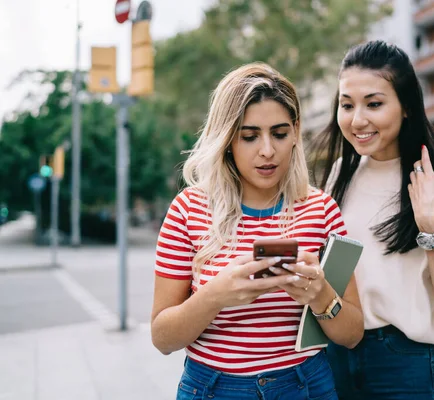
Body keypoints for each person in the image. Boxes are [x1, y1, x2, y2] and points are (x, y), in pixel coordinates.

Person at [151, 63, 363, 400]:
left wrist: (320, 294)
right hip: (212, 389)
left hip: (305, 386)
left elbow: (352, 334)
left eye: (279, 133)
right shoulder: (187, 209)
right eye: (249, 136)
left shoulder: (321, 210)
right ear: (227, 139)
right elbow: (162, 338)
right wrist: (216, 295)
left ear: (295, 131)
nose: (267, 150)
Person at [314, 40, 434, 399]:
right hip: (331, 351)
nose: (357, 119)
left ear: (407, 106)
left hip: (403, 363)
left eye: (374, 104)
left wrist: (431, 230)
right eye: (347, 105)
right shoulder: (338, 175)